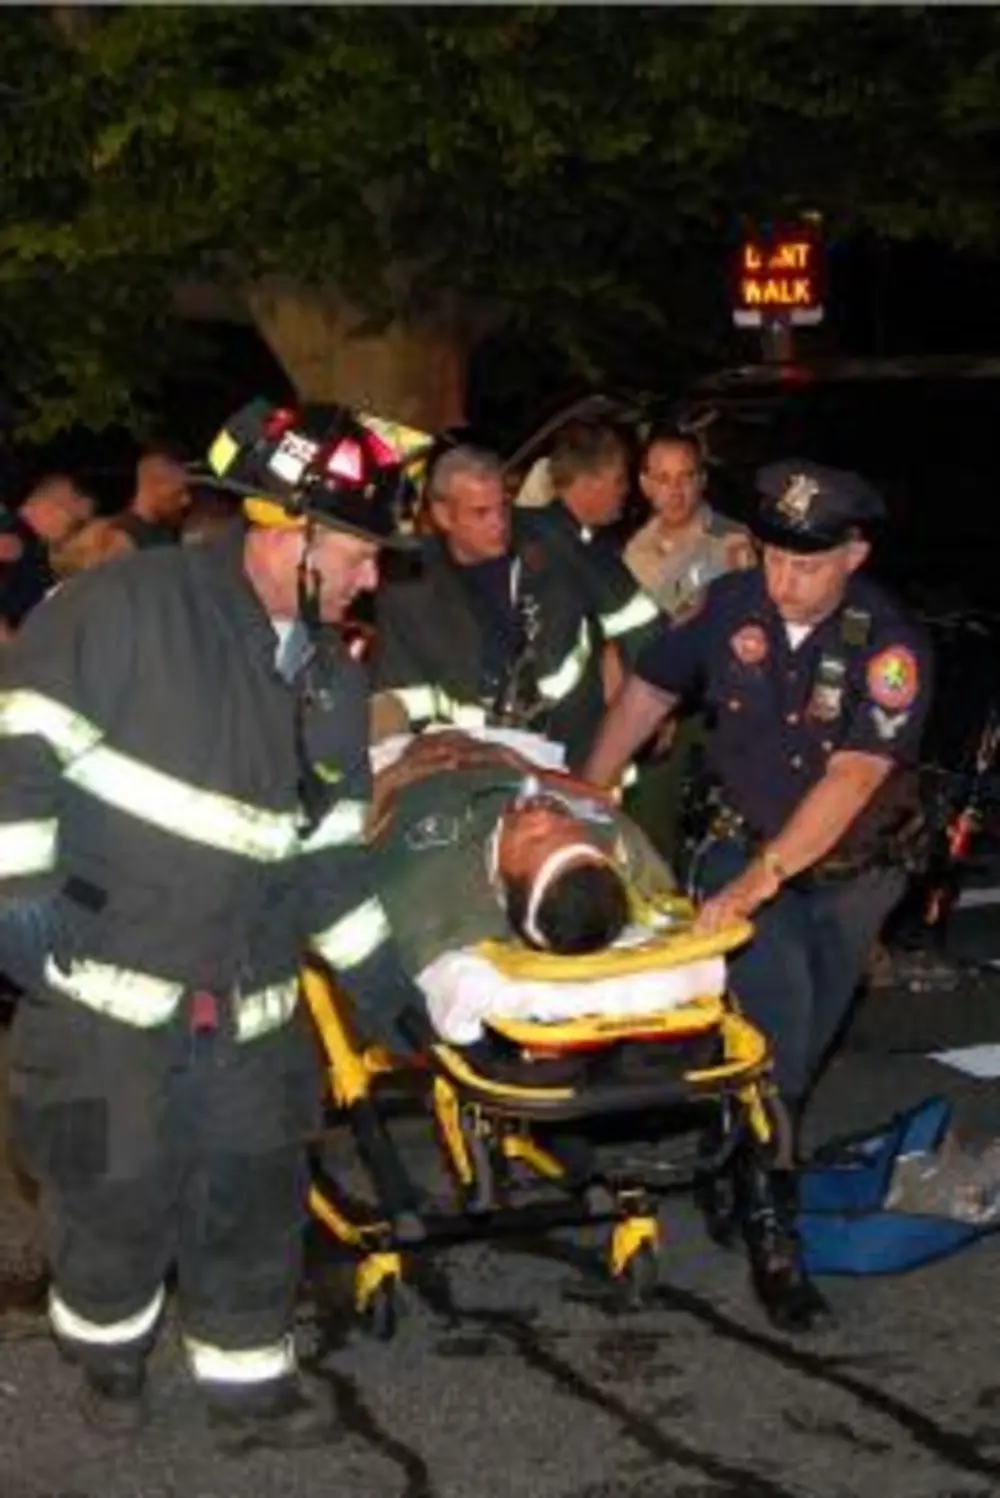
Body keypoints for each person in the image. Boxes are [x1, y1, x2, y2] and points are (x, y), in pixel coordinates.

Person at [0, 397, 431, 1448]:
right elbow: (16, 749)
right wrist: (18, 910)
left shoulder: (332, 673)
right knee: (111, 1203)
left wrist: (387, 984)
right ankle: (107, 1350)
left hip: (251, 1012)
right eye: (362, 551)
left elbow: (327, 852)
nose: (375, 576)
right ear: (287, 527)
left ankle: (248, 1377)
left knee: (254, 1196)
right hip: (108, 1001)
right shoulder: (120, 608)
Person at [583, 459, 934, 1331]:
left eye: (807, 564)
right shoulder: (732, 604)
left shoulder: (891, 645)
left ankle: (741, 1157)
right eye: (774, 557)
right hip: (743, 847)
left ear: (853, 553)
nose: (785, 581)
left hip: (850, 870)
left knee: (806, 1044)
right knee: (774, 1036)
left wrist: (766, 875)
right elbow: (652, 687)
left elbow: (854, 776)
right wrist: (588, 793)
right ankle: (775, 1241)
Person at [372, 444, 663, 771]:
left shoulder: (553, 540)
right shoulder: (410, 587)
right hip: (472, 767)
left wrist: (645, 708)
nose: (499, 523)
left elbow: (643, 622)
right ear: (443, 515)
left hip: (575, 756)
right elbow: (399, 698)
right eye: (481, 512)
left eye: (503, 507)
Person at [622, 427, 755, 862]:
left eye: (685, 477)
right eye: (662, 478)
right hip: (650, 707)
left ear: (701, 480)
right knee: (648, 829)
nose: (674, 490)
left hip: (716, 708)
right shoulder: (629, 551)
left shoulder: (731, 542)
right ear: (644, 483)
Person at [51, 449, 192, 574]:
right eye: (177, 493)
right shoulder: (120, 539)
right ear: (154, 486)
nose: (186, 500)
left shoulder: (169, 530)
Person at [0, 474, 94, 636]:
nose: (71, 534)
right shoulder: (14, 537)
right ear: (53, 509)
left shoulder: (33, 547)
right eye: (75, 522)